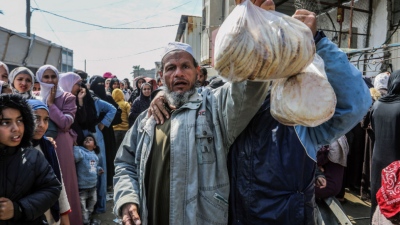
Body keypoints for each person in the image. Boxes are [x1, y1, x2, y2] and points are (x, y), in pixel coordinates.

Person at [149, 2, 371, 224]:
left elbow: (356, 103)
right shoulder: (219, 105)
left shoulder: (296, 111)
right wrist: (163, 96)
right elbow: (188, 102)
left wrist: (318, 42)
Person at [113, 34, 271, 225]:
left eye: (185, 66)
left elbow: (249, 87)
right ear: (161, 76)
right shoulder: (145, 120)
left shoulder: (215, 107)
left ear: (197, 72)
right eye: (171, 68)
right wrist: (127, 199)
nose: (178, 73)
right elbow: (124, 163)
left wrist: (257, 32)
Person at [0, 94, 61, 224]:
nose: (16, 128)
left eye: (20, 120)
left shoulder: (33, 156)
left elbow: (52, 188)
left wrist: (20, 208)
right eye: (6, 122)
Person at [36, 65, 83, 225]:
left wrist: (50, 104)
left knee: (64, 183)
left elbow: (65, 124)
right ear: (39, 78)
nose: (50, 80)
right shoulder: (35, 97)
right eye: (46, 77)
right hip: (39, 144)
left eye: (53, 77)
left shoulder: (67, 97)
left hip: (61, 145)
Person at [27, 99, 71, 225]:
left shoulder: (48, 146)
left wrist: (64, 217)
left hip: (50, 215)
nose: (41, 125)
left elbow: (58, 182)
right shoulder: (16, 150)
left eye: (46, 120)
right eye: (36, 118)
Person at [370, 70, 400, 220]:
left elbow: (373, 129)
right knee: (394, 207)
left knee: (377, 198)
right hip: (396, 164)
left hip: (378, 160)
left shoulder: (378, 104)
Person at [89, 75, 118, 213]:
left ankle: (104, 192)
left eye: (102, 83)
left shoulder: (102, 99)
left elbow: (116, 111)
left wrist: (104, 123)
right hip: (93, 135)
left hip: (106, 133)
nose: (100, 86)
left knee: (104, 163)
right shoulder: (88, 97)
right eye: (97, 83)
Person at [74, 134, 103, 225]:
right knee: (82, 207)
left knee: (92, 203)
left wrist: (99, 169)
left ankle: (88, 218)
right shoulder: (81, 152)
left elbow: (94, 167)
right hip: (82, 186)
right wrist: (75, 147)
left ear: (94, 146)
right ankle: (85, 222)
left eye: (90, 139)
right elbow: (76, 157)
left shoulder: (95, 156)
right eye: (86, 139)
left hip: (93, 186)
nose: (87, 140)